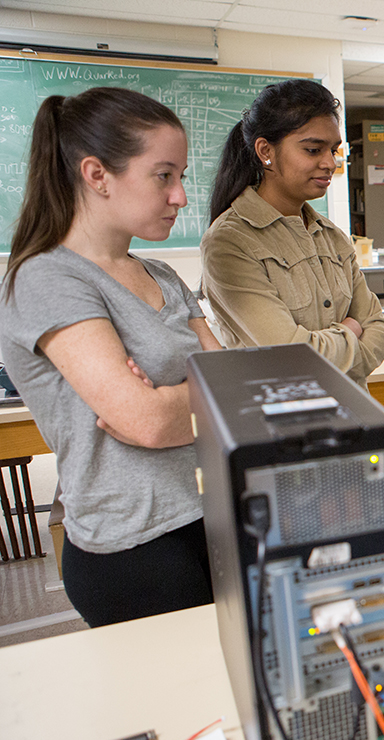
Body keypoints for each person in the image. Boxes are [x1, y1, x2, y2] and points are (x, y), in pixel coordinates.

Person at [0, 88, 223, 627]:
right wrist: (164, 407)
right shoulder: (46, 278)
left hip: (213, 517)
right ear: (97, 175)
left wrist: (165, 403)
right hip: (135, 547)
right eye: (163, 175)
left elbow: (231, 390)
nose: (180, 197)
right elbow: (142, 421)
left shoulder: (163, 276)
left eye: (182, 177)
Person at [201, 79, 384, 388]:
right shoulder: (230, 242)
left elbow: (380, 332)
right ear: (265, 151)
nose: (330, 163)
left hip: (353, 418)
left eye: (333, 150)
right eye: (313, 149)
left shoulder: (333, 237)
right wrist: (352, 328)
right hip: (282, 427)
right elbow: (290, 359)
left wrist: (336, 340)